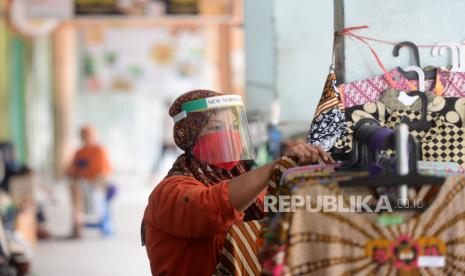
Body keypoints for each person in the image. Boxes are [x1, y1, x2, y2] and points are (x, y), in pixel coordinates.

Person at [142, 90, 333, 275]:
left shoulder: (240, 181)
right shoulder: (168, 193)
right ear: (190, 135)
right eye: (216, 128)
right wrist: (275, 166)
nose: (229, 135)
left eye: (233, 126)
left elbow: (278, 213)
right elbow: (212, 208)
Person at [67, 125, 111, 238]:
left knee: (78, 189)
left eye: (88, 135)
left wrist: (86, 177)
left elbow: (103, 172)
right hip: (82, 183)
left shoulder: (99, 150)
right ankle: (78, 222)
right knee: (75, 189)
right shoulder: (79, 152)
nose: (86, 138)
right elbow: (72, 169)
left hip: (96, 182)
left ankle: (78, 222)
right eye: (84, 135)